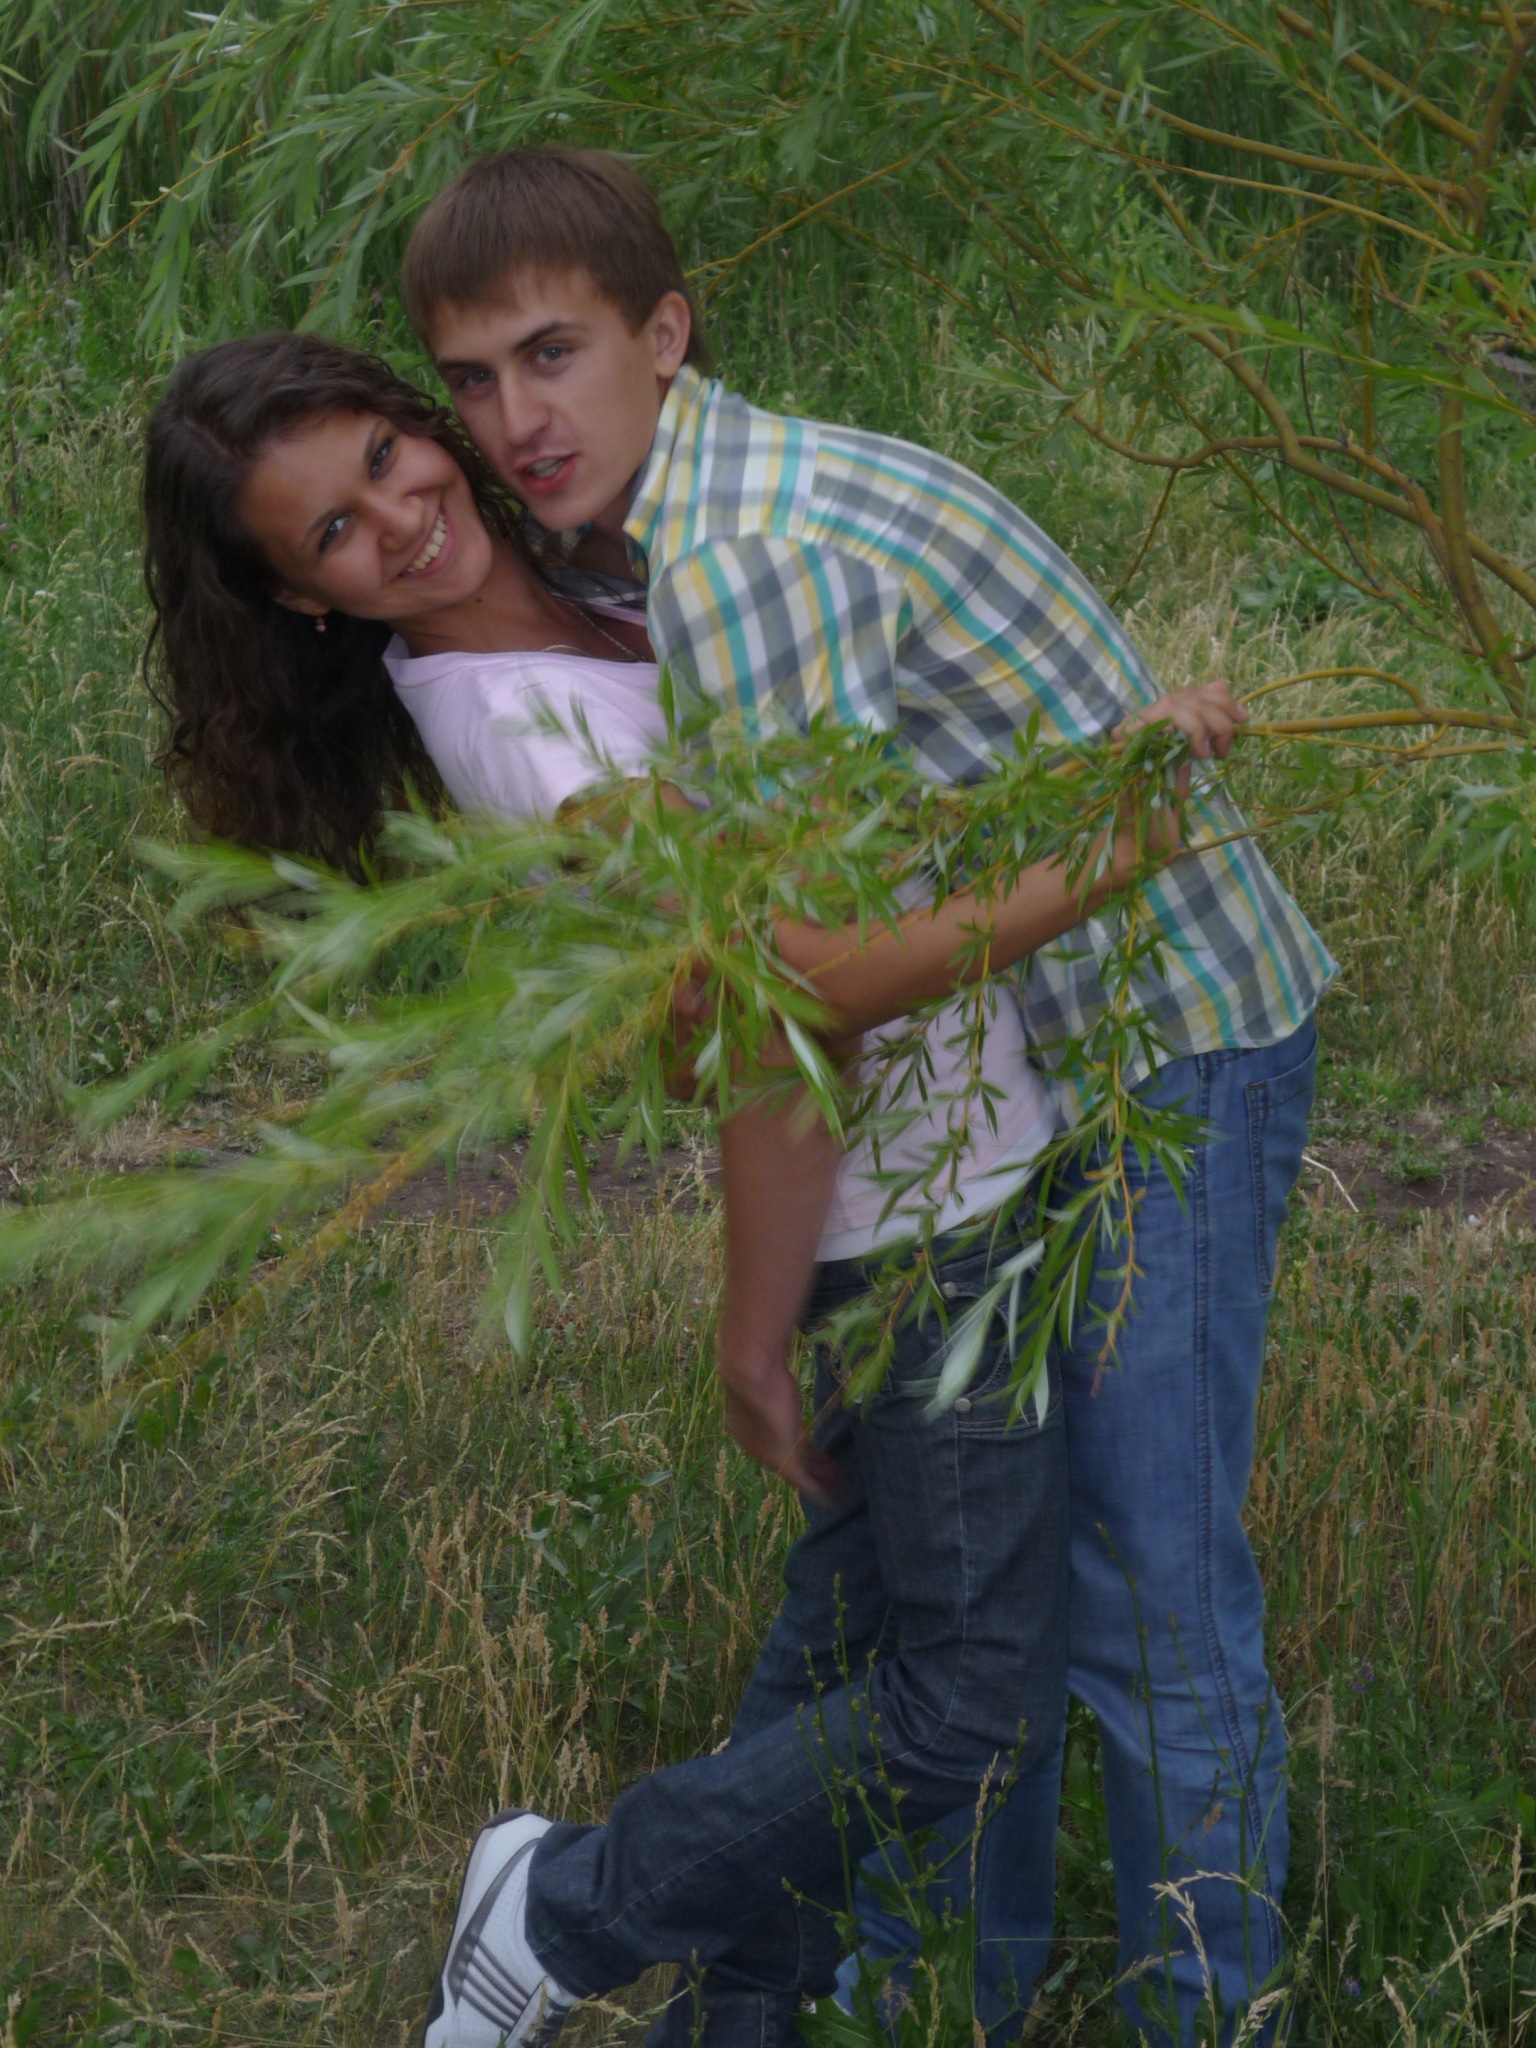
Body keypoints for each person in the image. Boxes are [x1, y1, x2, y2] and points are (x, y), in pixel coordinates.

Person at [141, 329, 1213, 2048]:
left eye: (388, 459)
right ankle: (563, 1905)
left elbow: (814, 866)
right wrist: (1109, 845)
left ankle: (732, 2019)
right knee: (970, 1706)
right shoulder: (530, 732)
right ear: (300, 600)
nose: (400, 518)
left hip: (935, 1165)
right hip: (907, 1214)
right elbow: (806, 994)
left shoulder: (604, 588)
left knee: (839, 1664)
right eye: (333, 531)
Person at [398, 148, 1333, 2046]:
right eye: (474, 381)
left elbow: (800, 990)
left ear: (666, 332)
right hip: (1047, 1051)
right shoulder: (698, 509)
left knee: (1147, 1582)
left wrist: (750, 1320)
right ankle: (936, 1998)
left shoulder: (739, 560)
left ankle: (1206, 2012)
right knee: (998, 1600)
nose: (513, 422)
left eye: (552, 355)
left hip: (1165, 1038)